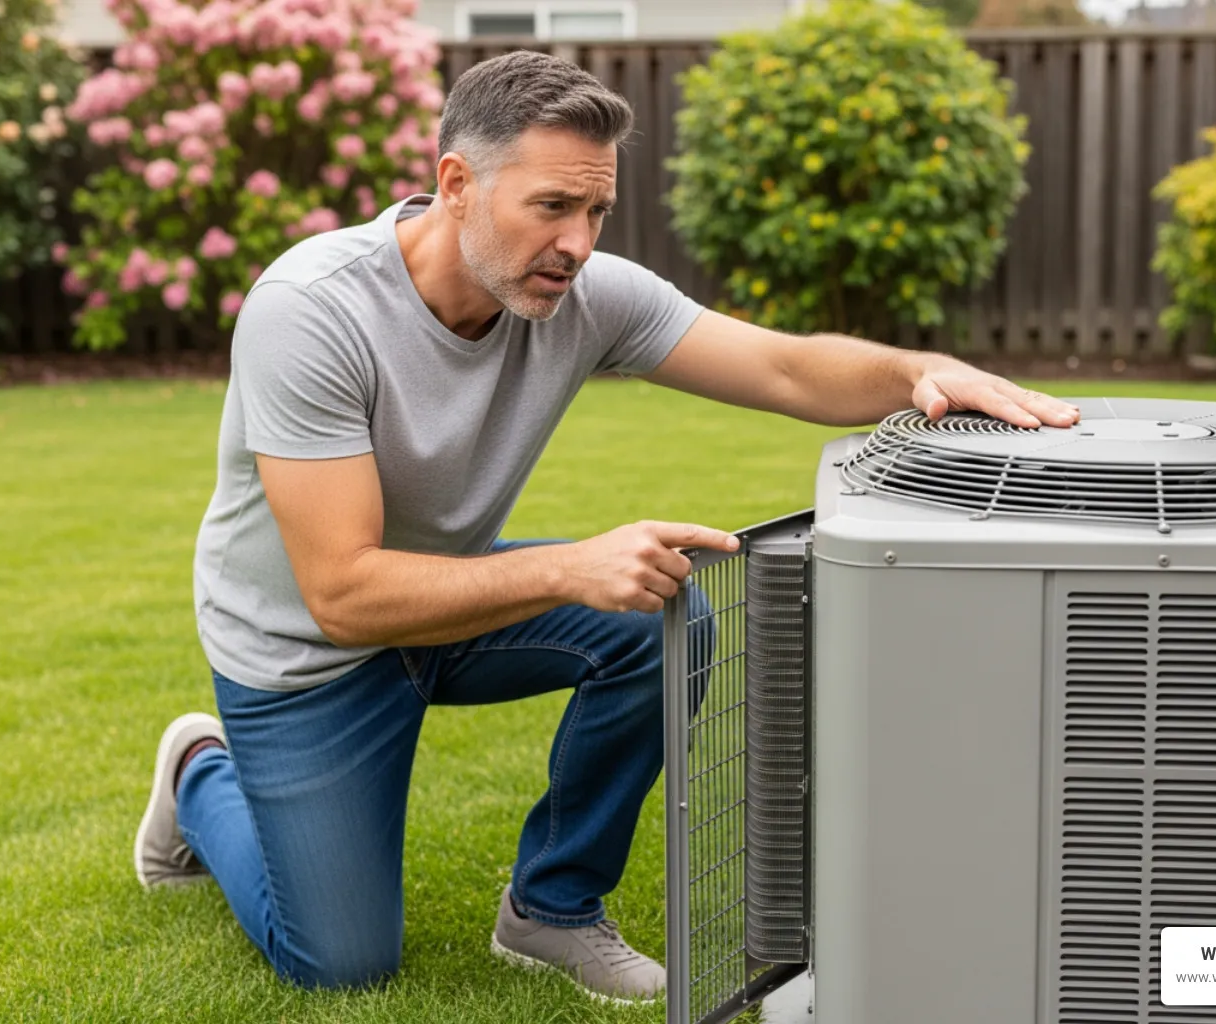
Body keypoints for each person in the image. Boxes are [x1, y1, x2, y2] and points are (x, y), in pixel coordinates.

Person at [132, 49, 1081, 1004]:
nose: (578, 244)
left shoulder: (586, 297)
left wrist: (915, 372)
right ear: (456, 184)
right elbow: (342, 593)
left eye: (595, 213)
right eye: (552, 206)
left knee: (661, 619)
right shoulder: (311, 313)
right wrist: (566, 569)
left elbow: (786, 370)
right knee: (340, 960)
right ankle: (199, 772)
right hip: (306, 651)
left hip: (447, 602)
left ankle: (551, 909)